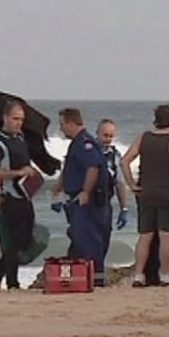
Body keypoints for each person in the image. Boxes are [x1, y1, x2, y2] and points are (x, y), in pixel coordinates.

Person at [121, 105, 169, 287]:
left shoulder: (143, 137)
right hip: (168, 193)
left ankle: (139, 275)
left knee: (145, 235)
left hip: (146, 193)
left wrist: (132, 184)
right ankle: (164, 275)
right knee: (165, 236)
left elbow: (124, 161)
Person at [0, 101, 39, 290]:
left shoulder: (21, 139)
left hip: (25, 196)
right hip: (9, 198)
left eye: (21, 120)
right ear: (5, 118)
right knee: (13, 241)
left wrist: (31, 173)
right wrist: (17, 173)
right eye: (15, 119)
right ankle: (12, 282)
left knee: (24, 240)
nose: (18, 123)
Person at [55, 108, 110, 287]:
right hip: (78, 199)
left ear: (71, 123)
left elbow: (92, 167)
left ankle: (96, 280)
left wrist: (86, 191)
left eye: (62, 124)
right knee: (78, 238)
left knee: (89, 239)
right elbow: (71, 169)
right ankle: (81, 277)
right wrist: (58, 189)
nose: (61, 129)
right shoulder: (76, 143)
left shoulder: (84, 144)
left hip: (89, 201)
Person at [96, 119, 129, 265]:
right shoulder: (87, 151)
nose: (107, 139)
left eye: (110, 136)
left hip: (104, 203)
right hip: (86, 204)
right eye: (105, 135)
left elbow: (120, 182)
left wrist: (124, 208)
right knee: (86, 241)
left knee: (104, 239)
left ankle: (98, 275)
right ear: (97, 134)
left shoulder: (115, 155)